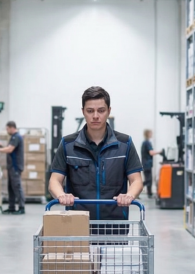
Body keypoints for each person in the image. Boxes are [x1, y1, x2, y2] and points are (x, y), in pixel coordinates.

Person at [49, 87, 143, 225]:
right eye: (90, 111)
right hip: (77, 225)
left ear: (109, 111)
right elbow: (54, 181)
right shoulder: (68, 145)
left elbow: (137, 181)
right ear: (83, 112)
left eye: (101, 110)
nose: (95, 116)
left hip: (114, 226)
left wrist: (129, 195)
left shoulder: (124, 144)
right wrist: (61, 195)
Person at [0, 121, 25, 214]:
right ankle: (11, 207)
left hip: (15, 167)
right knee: (11, 188)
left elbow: (10, 149)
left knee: (17, 187)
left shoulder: (16, 137)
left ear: (12, 127)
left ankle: (21, 207)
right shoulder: (13, 137)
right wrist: (1, 147)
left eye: (7, 129)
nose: (7, 131)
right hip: (11, 167)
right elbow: (9, 148)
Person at [140, 129, 162, 199]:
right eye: (150, 133)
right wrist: (160, 152)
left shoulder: (145, 142)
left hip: (146, 163)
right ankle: (137, 190)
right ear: (148, 134)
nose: (151, 134)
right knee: (148, 180)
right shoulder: (147, 143)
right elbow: (151, 153)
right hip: (147, 164)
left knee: (149, 179)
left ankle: (149, 194)